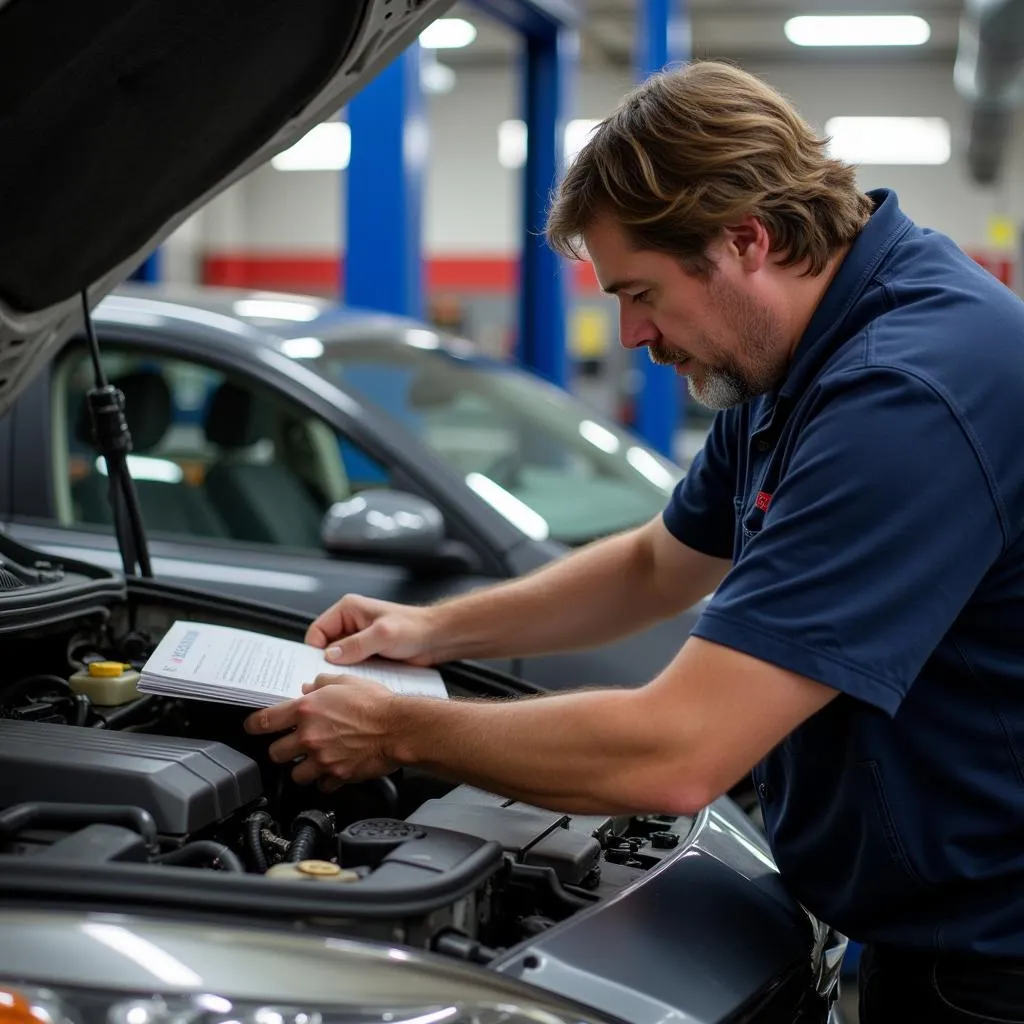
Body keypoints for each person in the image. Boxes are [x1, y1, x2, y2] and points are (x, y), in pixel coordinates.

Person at [245, 60, 1024, 1023]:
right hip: (935, 931)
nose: (629, 333)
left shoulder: (905, 397)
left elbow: (677, 751)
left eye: (642, 292)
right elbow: (659, 562)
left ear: (748, 239)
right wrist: (432, 633)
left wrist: (398, 729)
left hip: (994, 968)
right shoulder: (798, 350)